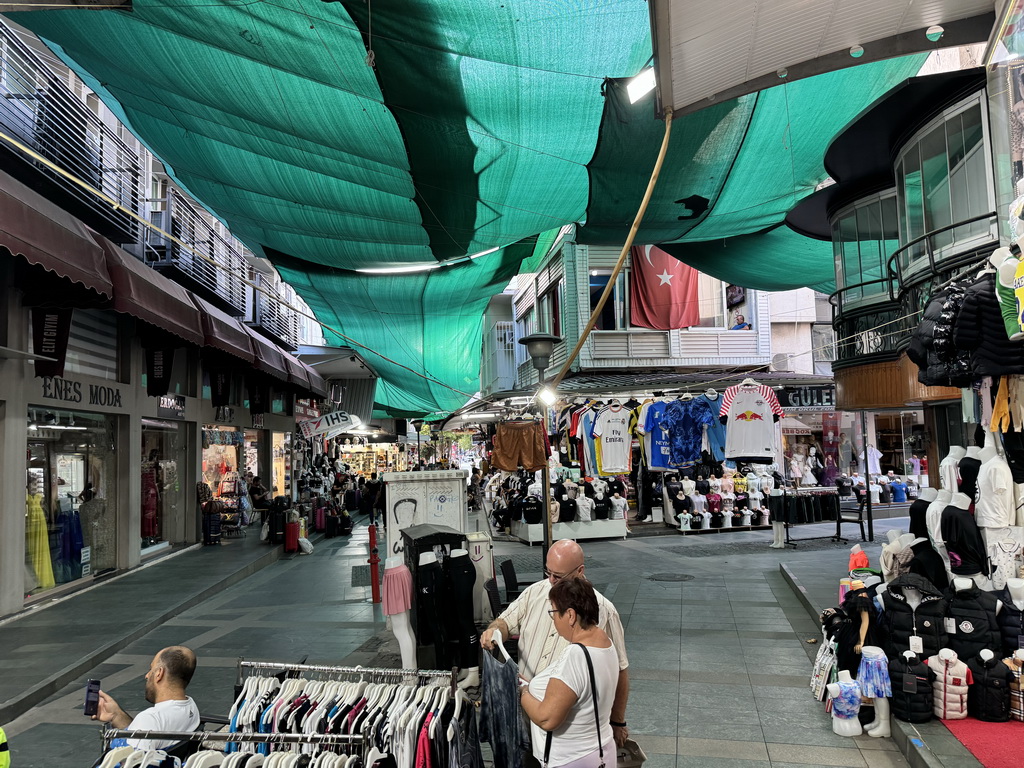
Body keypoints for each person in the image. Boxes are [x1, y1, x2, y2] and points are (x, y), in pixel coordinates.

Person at [481, 540, 630, 750]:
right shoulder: (535, 592)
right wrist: (494, 631)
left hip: (567, 730)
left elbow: (621, 669)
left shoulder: (604, 610)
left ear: (580, 571)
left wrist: (618, 721)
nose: (551, 581)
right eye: (547, 572)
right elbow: (505, 621)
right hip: (526, 716)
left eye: (558, 576)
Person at [520, 576, 618, 768]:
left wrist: (522, 692)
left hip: (571, 758)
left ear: (571, 615)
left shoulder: (575, 656)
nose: (553, 619)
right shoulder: (604, 641)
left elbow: (547, 718)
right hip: (601, 749)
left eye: (554, 613)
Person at [92, 646, 200, 750]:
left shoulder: (151, 718)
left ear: (159, 673)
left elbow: (132, 761)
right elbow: (148, 732)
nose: (147, 675)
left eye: (151, 669)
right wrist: (116, 716)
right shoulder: (191, 708)